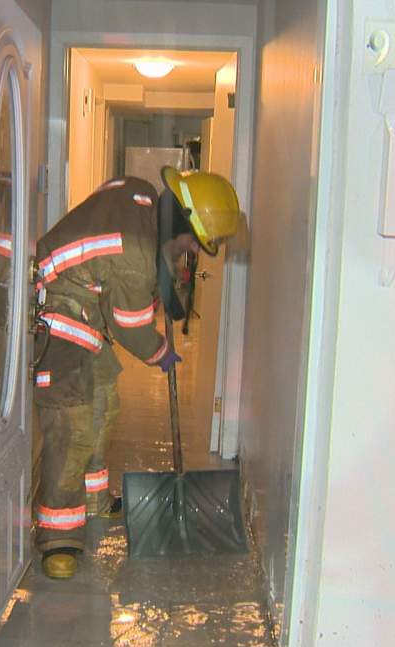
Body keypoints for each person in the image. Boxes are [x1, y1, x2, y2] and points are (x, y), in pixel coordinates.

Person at [32, 167, 241, 579]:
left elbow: (122, 260)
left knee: (104, 403)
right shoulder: (136, 255)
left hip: (86, 307)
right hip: (58, 310)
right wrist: (161, 352)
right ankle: (58, 537)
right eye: (194, 243)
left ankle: (93, 501)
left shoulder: (142, 196)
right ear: (184, 224)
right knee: (72, 426)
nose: (192, 251)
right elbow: (130, 326)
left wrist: (161, 278)